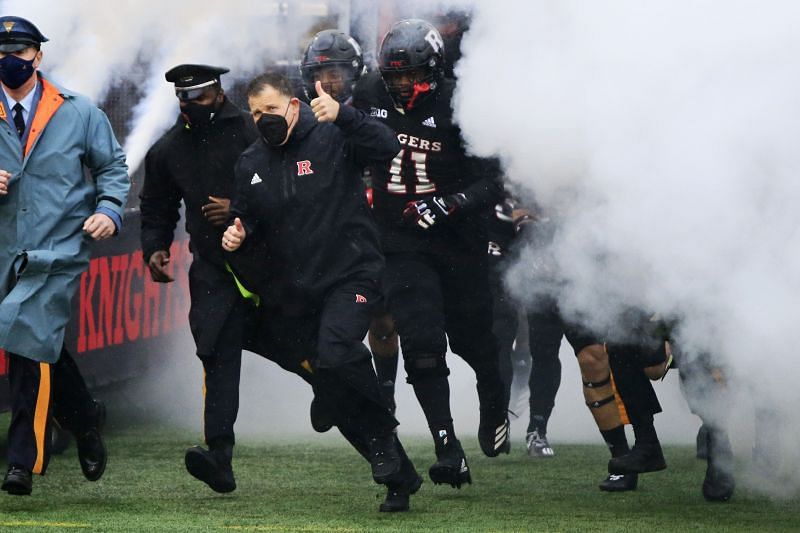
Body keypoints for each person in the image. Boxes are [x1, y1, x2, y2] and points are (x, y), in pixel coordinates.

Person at [222, 71, 421, 512]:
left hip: (352, 274)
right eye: (255, 113)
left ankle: (383, 431)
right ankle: (398, 476)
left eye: (271, 109)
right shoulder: (250, 162)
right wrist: (239, 232)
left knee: (335, 354)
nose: (262, 119)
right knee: (333, 386)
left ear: (294, 105)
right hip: (297, 291)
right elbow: (245, 215)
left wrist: (345, 115)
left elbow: (387, 146)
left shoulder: (333, 135)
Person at [352, 19, 511, 490]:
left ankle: (494, 397)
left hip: (458, 241)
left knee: (473, 341)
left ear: (434, 68)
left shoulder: (461, 102)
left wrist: (450, 202)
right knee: (421, 343)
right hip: (400, 243)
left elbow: (495, 177)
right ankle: (448, 448)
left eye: (410, 75)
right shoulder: (369, 96)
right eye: (394, 76)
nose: (401, 85)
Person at [0, 16, 129, 495]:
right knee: (32, 339)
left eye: (19, 50)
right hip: (2, 248)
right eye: (0, 51)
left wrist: (111, 209)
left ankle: (22, 460)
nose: (9, 60)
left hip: (56, 250)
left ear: (39, 55)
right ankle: (86, 419)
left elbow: (113, 166)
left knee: (29, 337)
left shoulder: (79, 111)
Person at [139, 64, 258, 493]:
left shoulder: (251, 131)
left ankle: (332, 392)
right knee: (215, 352)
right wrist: (154, 246)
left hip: (268, 263)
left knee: (298, 344)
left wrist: (239, 209)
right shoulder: (169, 148)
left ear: (220, 94)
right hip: (211, 268)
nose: (191, 107)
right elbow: (156, 204)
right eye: (183, 100)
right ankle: (219, 456)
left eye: (200, 98)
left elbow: (287, 189)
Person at [487, 195, 561, 458]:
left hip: (551, 245)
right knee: (500, 337)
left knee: (546, 347)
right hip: (502, 240)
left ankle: (537, 428)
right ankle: (497, 419)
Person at [300, 29, 366, 104]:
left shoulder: (369, 107)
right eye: (317, 77)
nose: (324, 83)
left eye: (334, 76)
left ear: (354, 74)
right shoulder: (300, 109)